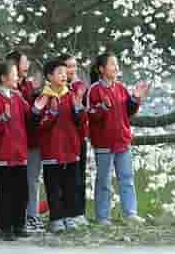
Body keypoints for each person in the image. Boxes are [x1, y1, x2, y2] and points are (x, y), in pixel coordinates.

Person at [0, 61, 44, 241]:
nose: (17, 77)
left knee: (21, 191)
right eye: (14, 73)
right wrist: (2, 119)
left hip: (19, 154)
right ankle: (5, 226)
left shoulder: (17, 97)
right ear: (3, 78)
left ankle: (19, 224)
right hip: (2, 155)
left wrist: (38, 108)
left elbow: (29, 116)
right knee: (5, 191)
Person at [86, 52, 150, 225]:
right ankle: (103, 217)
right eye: (112, 64)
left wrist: (135, 98)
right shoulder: (94, 90)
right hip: (104, 143)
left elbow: (128, 111)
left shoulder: (120, 88)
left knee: (127, 178)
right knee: (104, 181)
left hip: (122, 140)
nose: (116, 67)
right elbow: (89, 116)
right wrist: (102, 107)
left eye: (117, 64)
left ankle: (130, 213)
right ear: (101, 69)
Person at [35, 59, 86, 233]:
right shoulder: (44, 97)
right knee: (54, 186)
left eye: (65, 73)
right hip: (52, 149)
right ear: (49, 76)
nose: (64, 76)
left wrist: (79, 109)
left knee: (70, 185)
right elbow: (39, 125)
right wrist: (52, 113)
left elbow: (80, 123)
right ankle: (56, 218)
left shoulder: (71, 95)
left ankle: (69, 216)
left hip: (70, 147)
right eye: (60, 73)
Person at [6, 50, 43, 233]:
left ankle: (33, 215)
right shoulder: (8, 89)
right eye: (24, 62)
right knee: (17, 182)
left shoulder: (28, 85)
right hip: (16, 142)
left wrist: (36, 92)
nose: (27, 66)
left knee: (33, 179)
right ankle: (16, 219)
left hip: (33, 139)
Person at [59, 53, 90, 227]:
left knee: (79, 175)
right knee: (63, 177)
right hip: (62, 139)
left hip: (79, 138)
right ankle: (63, 213)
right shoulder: (56, 87)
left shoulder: (80, 87)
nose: (72, 70)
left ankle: (78, 212)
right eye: (68, 66)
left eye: (74, 66)